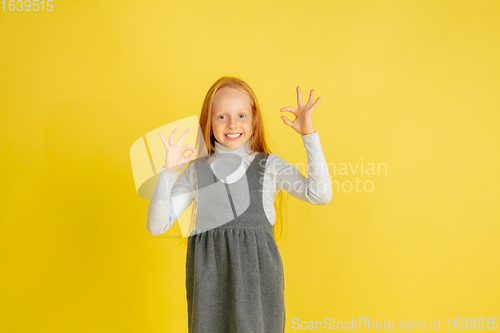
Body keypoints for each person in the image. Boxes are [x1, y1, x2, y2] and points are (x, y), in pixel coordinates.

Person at [147, 76, 332, 333]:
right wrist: (168, 172)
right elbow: (157, 226)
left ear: (254, 120)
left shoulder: (269, 166)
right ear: (208, 122)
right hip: (209, 287)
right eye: (222, 116)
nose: (232, 124)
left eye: (242, 115)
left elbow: (320, 194)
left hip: (257, 287)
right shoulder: (196, 170)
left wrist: (309, 136)